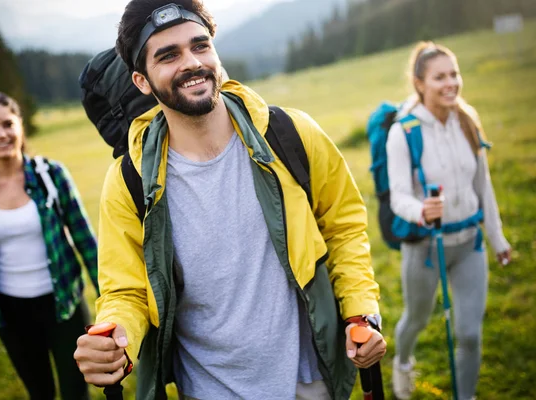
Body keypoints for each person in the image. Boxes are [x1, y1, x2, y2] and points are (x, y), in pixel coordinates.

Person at [73, 1, 386, 399]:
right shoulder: (128, 181)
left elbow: (343, 229)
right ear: (142, 81)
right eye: (168, 55)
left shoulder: (291, 134)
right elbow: (126, 291)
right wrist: (115, 338)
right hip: (208, 389)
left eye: (200, 46)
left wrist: (361, 312)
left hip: (308, 382)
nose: (191, 62)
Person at [0, 91, 99, 400]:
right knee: (39, 394)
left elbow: (87, 244)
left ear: (20, 127)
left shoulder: (51, 175)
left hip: (63, 305)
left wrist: (111, 304)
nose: (1, 134)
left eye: (8, 124)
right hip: (10, 314)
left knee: (76, 393)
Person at [386, 42, 512, 400]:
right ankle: (404, 361)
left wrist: (497, 239)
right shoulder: (404, 132)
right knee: (417, 319)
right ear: (419, 83)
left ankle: (466, 395)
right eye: (439, 77)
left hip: (469, 243)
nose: (450, 83)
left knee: (470, 333)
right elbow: (398, 196)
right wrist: (420, 211)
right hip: (426, 247)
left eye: (454, 74)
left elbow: (482, 185)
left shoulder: (468, 120)